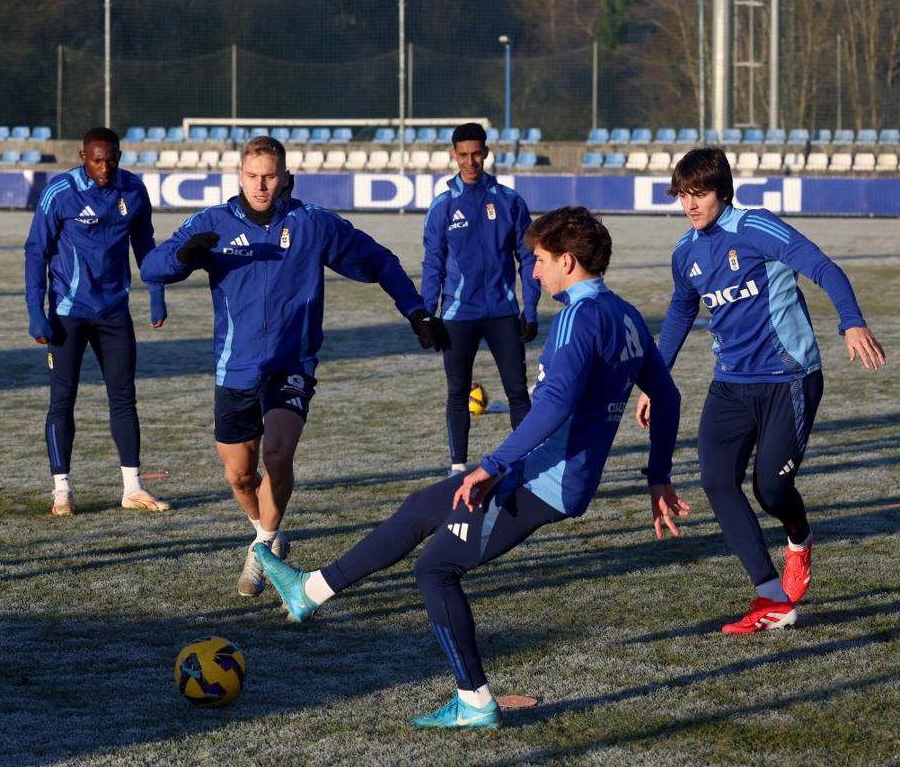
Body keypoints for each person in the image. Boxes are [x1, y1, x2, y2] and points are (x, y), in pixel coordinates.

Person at [256, 206, 688, 729]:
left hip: (540, 481)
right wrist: (658, 475)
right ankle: (310, 591)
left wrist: (490, 465)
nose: (534, 271)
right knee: (421, 507)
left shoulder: (580, 317)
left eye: (540, 260)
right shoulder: (625, 313)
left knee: (435, 569)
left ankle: (476, 701)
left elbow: (553, 407)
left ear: (568, 261)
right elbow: (666, 395)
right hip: (542, 473)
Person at [141, 135, 451, 597]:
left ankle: (261, 550)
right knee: (239, 474)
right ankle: (266, 530)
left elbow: (380, 261)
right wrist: (181, 257)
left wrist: (416, 310)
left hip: (292, 363)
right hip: (235, 368)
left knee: (278, 454)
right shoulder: (212, 223)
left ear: (285, 177)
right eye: (252, 177)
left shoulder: (313, 225)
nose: (261, 185)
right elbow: (151, 268)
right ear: (239, 176)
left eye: (270, 176)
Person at [635, 147, 886, 634]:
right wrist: (654, 379)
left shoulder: (755, 227)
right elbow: (681, 314)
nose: (690, 204)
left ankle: (799, 539)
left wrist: (851, 324)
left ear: (723, 191)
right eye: (683, 194)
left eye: (700, 193)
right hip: (730, 385)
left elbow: (824, 268)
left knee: (771, 488)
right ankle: (772, 597)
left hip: (788, 378)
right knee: (715, 480)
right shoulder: (685, 253)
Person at [24, 126, 169, 517]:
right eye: (97, 160)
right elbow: (36, 251)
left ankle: (133, 488)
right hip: (68, 315)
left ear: (120, 156)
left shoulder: (133, 191)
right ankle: (62, 491)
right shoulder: (60, 192)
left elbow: (145, 245)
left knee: (124, 398)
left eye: (112, 159)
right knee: (62, 399)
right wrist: (36, 312)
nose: (105, 168)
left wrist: (155, 292)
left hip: (115, 313)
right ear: (82, 156)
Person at [422, 122, 540, 473]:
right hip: (458, 316)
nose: (470, 161)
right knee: (457, 392)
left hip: (503, 313)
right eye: (463, 155)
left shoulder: (508, 201)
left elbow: (529, 257)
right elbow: (433, 264)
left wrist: (530, 309)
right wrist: (428, 315)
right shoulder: (442, 207)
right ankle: (457, 467)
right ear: (454, 156)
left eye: (476, 154)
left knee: (518, 392)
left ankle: (526, 464)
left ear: (486, 153)